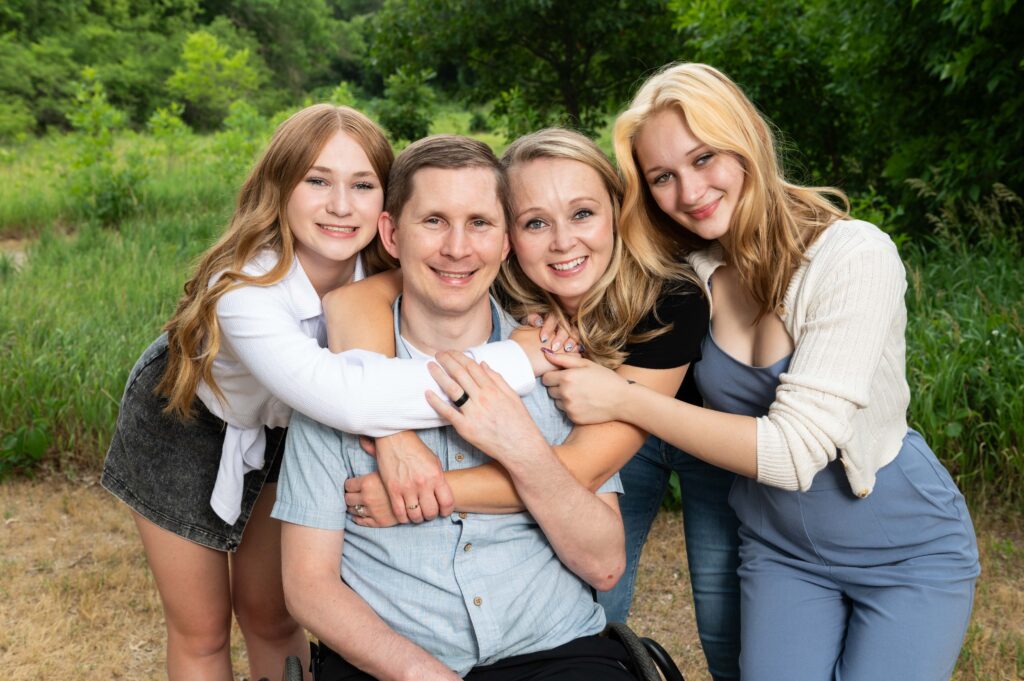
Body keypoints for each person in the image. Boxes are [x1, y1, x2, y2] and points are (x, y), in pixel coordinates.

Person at [521, 62, 981, 680]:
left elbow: (795, 454)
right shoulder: (691, 267)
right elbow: (584, 265)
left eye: (705, 157)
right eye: (663, 176)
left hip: (904, 549)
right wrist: (544, 319)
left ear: (749, 142)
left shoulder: (854, 255)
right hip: (781, 551)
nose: (689, 192)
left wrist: (623, 399)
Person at [100, 106, 539, 681]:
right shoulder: (242, 289)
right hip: (186, 418)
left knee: (272, 613)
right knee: (202, 628)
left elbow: (472, 287)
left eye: (362, 185)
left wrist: (537, 323)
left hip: (295, 432)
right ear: (278, 188)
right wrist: (517, 359)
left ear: (387, 208)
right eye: (316, 181)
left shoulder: (388, 269)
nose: (340, 205)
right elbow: (348, 394)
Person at [335, 129, 741, 679]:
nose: (561, 242)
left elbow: (576, 469)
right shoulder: (495, 278)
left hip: (682, 426)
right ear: (507, 236)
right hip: (581, 431)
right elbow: (354, 301)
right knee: (598, 600)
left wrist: (416, 493)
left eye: (582, 214)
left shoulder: (668, 296)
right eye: (534, 223)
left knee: (722, 614)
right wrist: (392, 433)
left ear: (617, 215)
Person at [273, 134, 634, 681]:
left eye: (480, 223)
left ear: (507, 241)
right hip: (393, 664)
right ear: (391, 234)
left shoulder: (562, 366)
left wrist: (520, 445)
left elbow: (605, 565)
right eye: (434, 221)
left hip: (557, 652)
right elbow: (309, 587)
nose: (458, 248)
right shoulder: (333, 387)